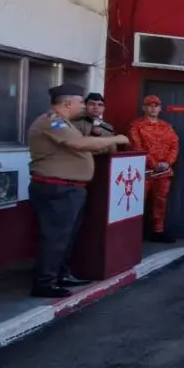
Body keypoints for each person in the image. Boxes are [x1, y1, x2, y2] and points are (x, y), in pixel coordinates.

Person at [28, 84, 131, 298]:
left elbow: (87, 145)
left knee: (67, 236)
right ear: (67, 103)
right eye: (80, 102)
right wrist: (115, 139)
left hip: (71, 189)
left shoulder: (66, 123)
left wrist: (107, 143)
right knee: (55, 237)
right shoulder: (52, 121)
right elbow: (78, 144)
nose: (83, 106)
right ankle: (44, 283)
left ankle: (61, 275)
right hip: (56, 188)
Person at [128, 95, 180, 243]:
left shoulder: (166, 126)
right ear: (144, 107)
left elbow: (174, 145)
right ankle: (133, 234)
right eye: (149, 105)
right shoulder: (136, 125)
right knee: (137, 202)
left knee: (160, 203)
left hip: (164, 172)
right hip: (143, 172)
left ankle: (158, 231)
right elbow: (136, 146)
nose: (153, 108)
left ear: (160, 108)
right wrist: (154, 164)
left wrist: (167, 162)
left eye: (156, 105)